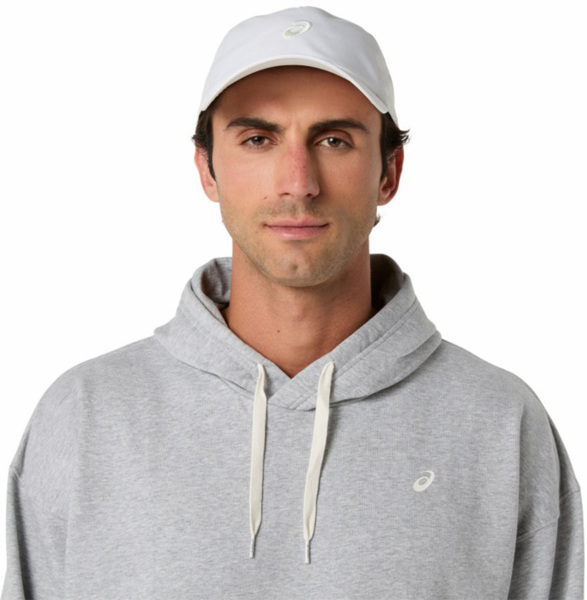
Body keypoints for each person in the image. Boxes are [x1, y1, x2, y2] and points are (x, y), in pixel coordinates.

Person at [1, 6, 583, 599]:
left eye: (334, 140)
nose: (299, 182)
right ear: (207, 169)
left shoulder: (500, 423)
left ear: (389, 172)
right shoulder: (85, 417)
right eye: (258, 139)